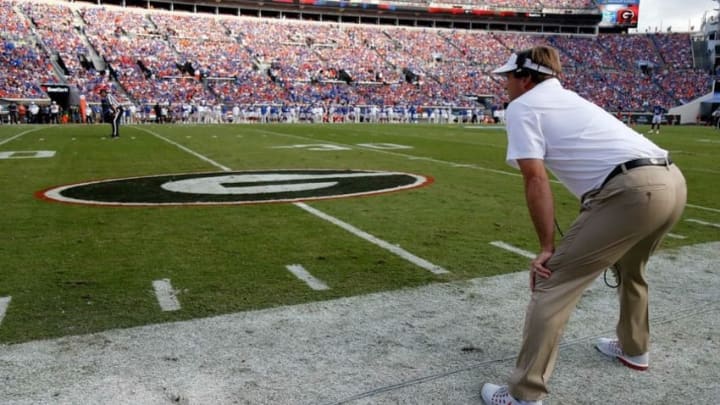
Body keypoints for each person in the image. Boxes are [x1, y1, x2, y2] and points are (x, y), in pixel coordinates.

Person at [480, 46, 687, 405]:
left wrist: (547, 247)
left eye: (509, 77)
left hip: (632, 191)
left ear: (526, 78)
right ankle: (634, 348)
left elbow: (535, 179)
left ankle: (524, 394)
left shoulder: (523, 107)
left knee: (552, 284)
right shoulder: (569, 98)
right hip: (671, 180)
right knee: (632, 271)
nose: (506, 84)